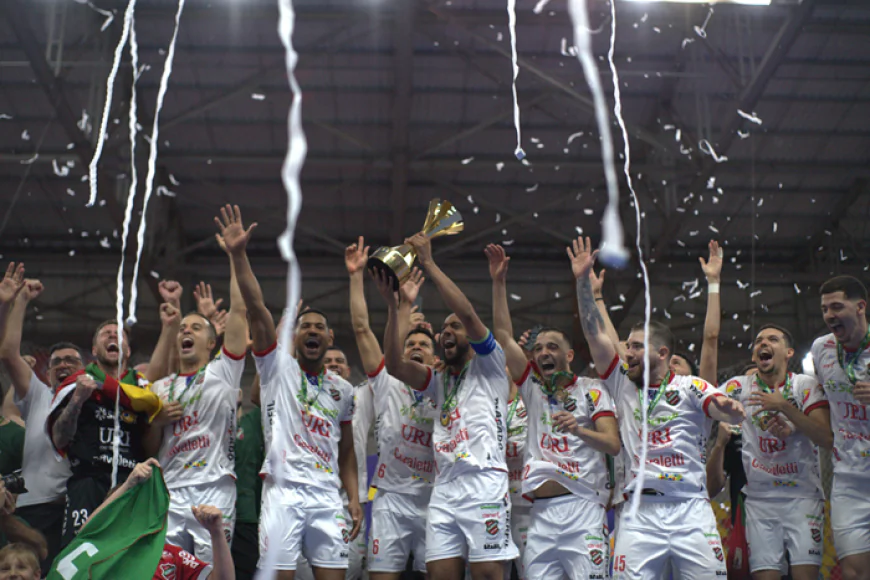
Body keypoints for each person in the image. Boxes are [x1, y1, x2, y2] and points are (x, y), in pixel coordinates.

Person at [570, 236, 744, 579]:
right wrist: (582, 284)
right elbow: (593, 334)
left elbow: (720, 406)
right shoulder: (621, 382)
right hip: (638, 514)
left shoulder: (691, 386)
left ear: (662, 354)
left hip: (690, 511)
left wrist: (730, 409)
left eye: (636, 346)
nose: (627, 352)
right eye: (627, 346)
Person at [218, 204, 361, 580]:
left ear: (330, 338)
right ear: (294, 337)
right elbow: (258, 310)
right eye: (305, 326)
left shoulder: (343, 390)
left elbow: (346, 449)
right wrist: (239, 256)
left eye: (319, 327)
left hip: (328, 495)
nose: (312, 330)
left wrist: (354, 496)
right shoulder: (277, 367)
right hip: (283, 493)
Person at [374, 231, 519, 580]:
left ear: (471, 337)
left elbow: (467, 313)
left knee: (487, 574)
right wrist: (394, 308)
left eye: (454, 327)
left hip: (485, 481)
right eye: (443, 329)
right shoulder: (439, 381)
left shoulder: (492, 363)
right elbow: (393, 365)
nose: (447, 331)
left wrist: (429, 263)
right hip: (444, 489)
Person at [485, 244, 619, 579]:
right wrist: (498, 283)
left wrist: (578, 430)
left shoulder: (592, 389)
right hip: (540, 517)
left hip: (584, 510)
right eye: (539, 348)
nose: (544, 352)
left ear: (570, 355)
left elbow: (613, 444)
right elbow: (503, 335)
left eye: (553, 347)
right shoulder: (531, 386)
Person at [149, 240, 248, 563]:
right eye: (182, 328)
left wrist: (236, 256)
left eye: (195, 327)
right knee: (166, 571)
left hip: (214, 487)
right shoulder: (161, 389)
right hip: (171, 492)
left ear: (211, 341)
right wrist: (158, 420)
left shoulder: (224, 372)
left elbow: (239, 311)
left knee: (210, 570)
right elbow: (148, 447)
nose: (185, 331)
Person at [346, 237, 435, 580]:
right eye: (409, 342)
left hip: (435, 498)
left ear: (434, 357)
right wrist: (357, 278)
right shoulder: (386, 380)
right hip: (390, 500)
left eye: (423, 344)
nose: (414, 347)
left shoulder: (445, 385)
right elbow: (360, 328)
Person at [718, 324, 832, 580]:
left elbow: (825, 437)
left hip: (803, 498)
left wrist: (786, 409)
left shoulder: (806, 385)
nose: (763, 343)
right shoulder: (738, 386)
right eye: (758, 341)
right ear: (753, 355)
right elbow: (705, 400)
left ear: (789, 352)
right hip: (760, 501)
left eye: (772, 339)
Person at [47, 314, 166, 547]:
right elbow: (59, 439)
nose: (112, 335)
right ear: (94, 349)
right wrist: (77, 401)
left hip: (132, 482)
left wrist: (157, 422)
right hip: (87, 482)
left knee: (128, 556)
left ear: (128, 351)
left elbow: (151, 450)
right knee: (78, 552)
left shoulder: (144, 393)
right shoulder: (76, 383)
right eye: (106, 333)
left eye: (119, 334)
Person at [0, 265, 75, 567]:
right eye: (56, 361)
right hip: (33, 508)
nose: (63, 364)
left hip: (77, 508)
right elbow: (7, 353)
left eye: (72, 360)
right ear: (47, 372)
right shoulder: (40, 395)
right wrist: (18, 302)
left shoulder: (99, 400)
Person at [79, 458, 235, 580]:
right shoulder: (100, 553)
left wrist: (216, 532)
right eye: (126, 510)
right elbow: (83, 535)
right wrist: (128, 484)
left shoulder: (170, 555)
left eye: (140, 507)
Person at [812, 276, 870, 580]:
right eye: (824, 309)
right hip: (848, 481)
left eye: (837, 306)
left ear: (860, 306)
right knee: (854, 573)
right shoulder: (821, 349)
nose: (829, 315)